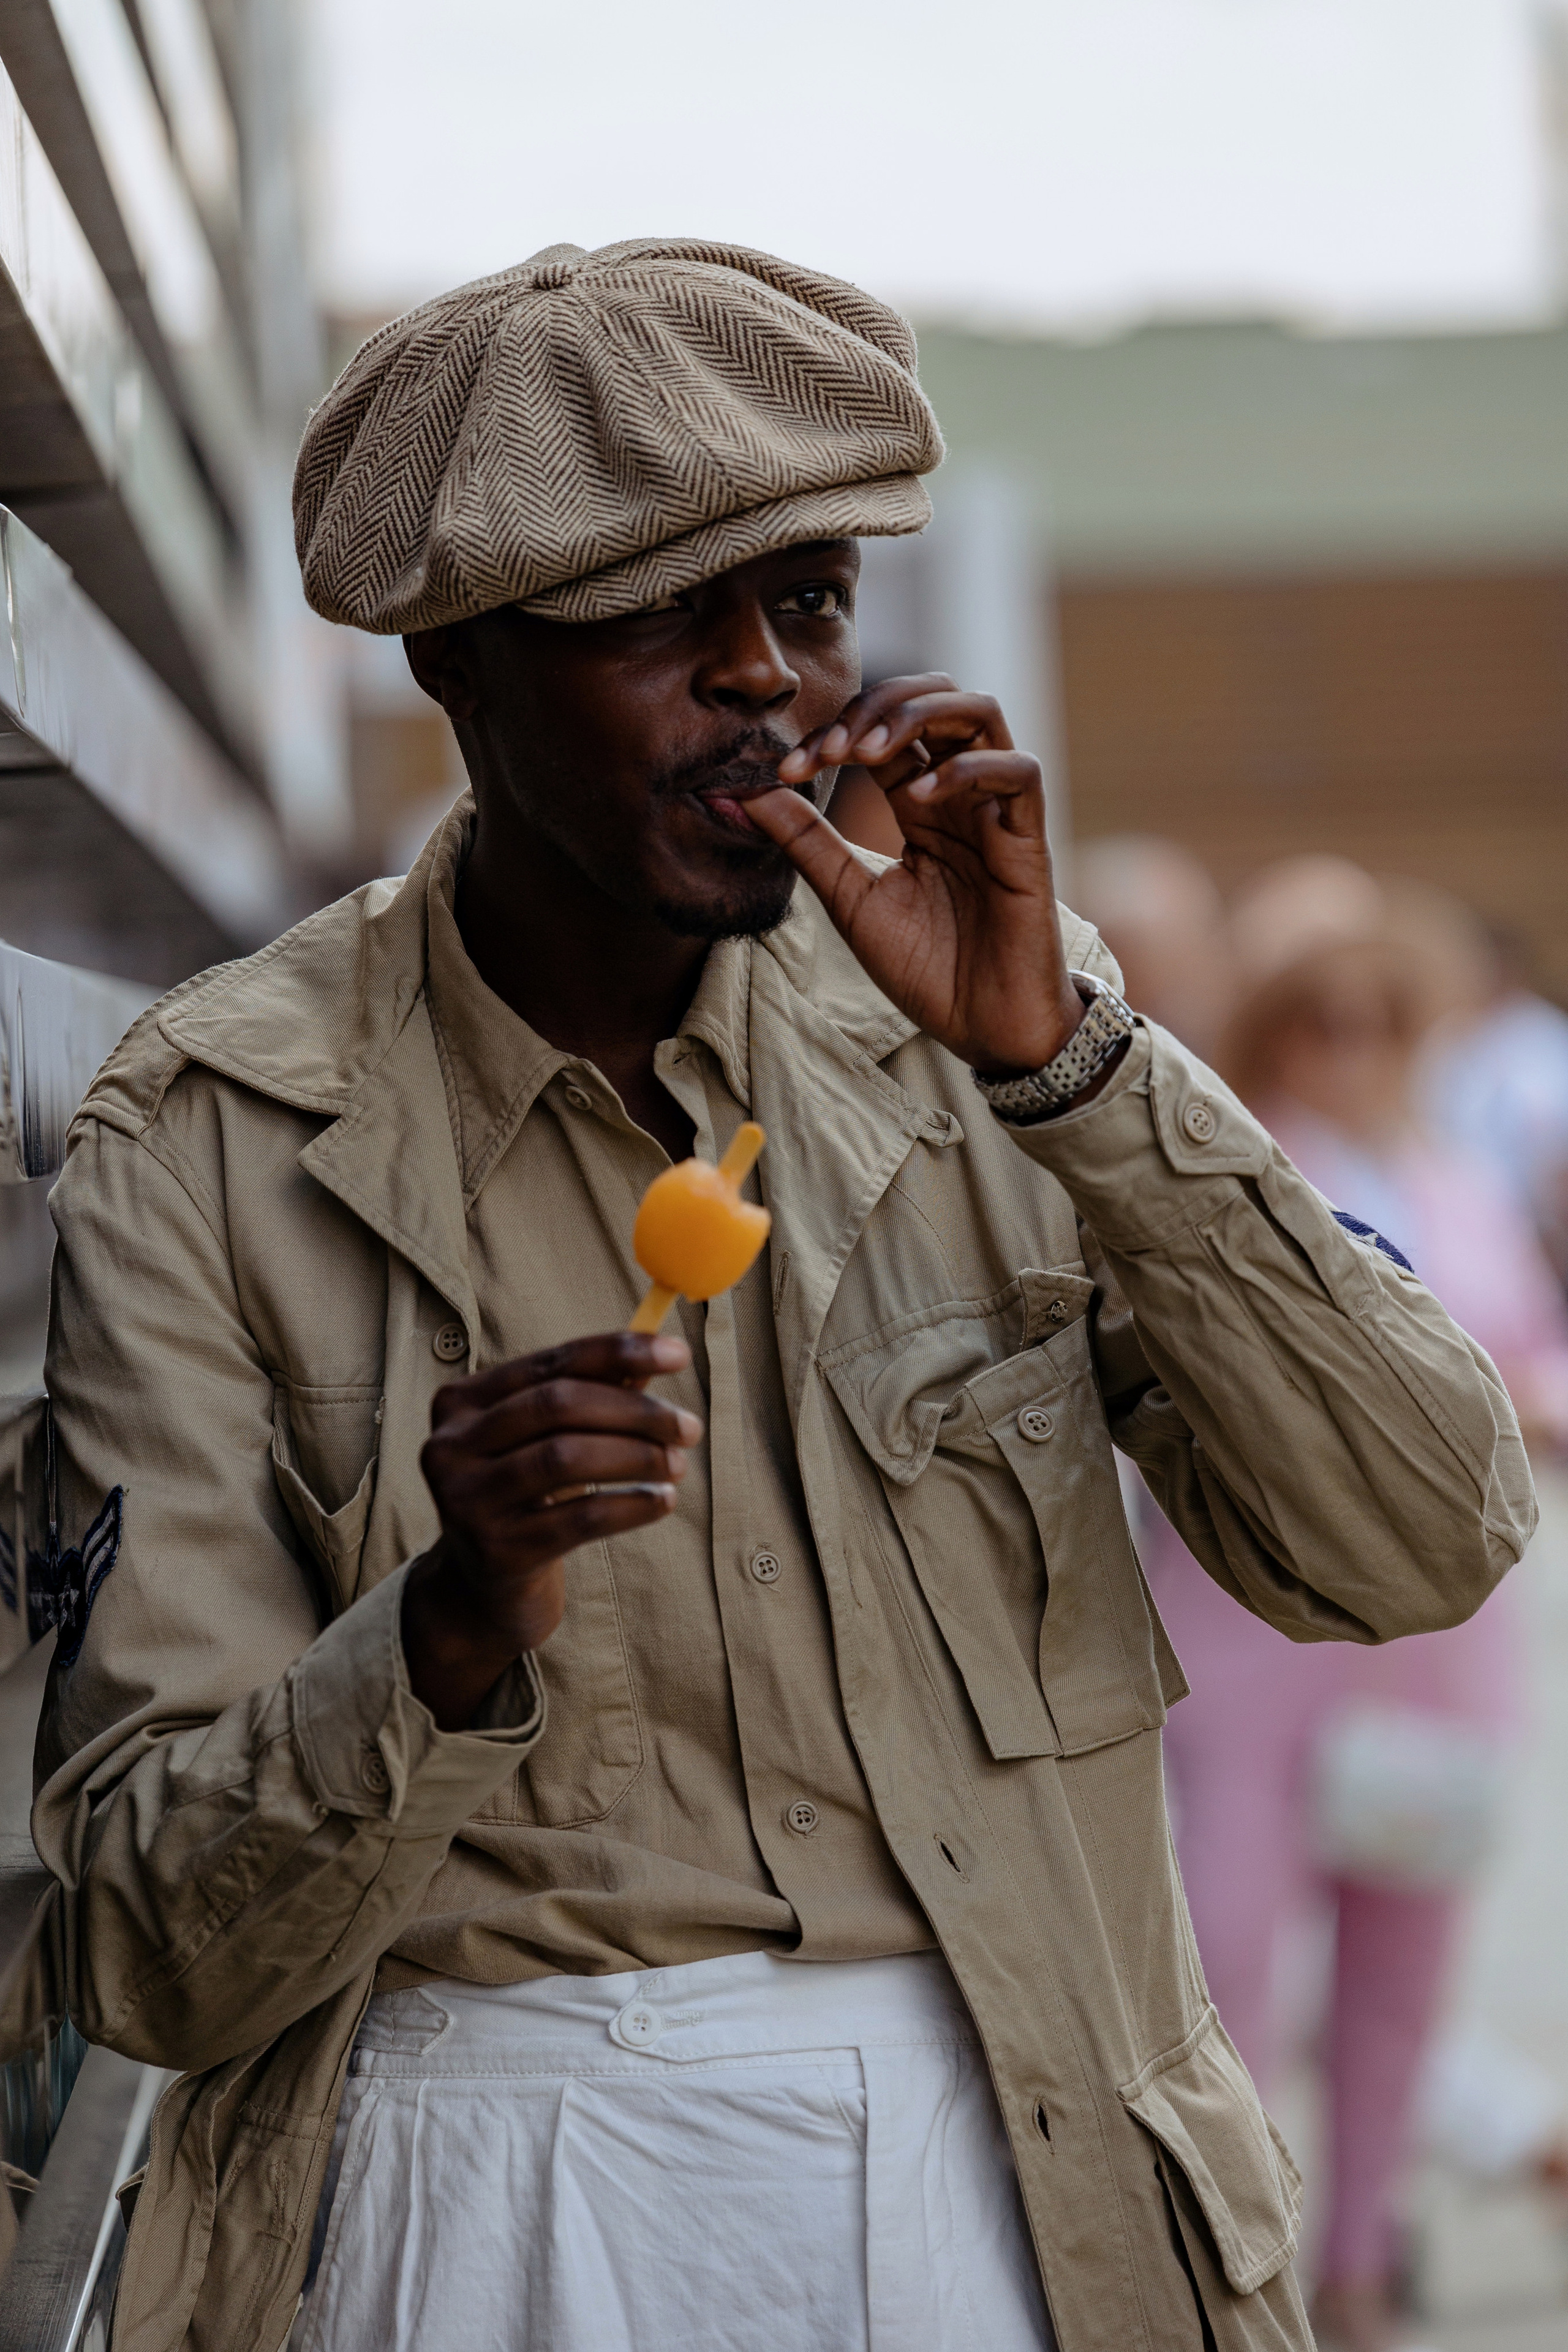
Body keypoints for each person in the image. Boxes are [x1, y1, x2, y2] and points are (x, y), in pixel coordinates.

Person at [28, 243, 1532, 2352]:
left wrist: (1080, 1078)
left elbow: (1427, 1537)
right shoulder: (210, 1135)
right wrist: (443, 1623)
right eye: (659, 614)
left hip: (1024, 2203)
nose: (764, 681)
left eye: (810, 603)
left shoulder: (1002, 1033)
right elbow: (142, 1954)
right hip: (480, 2230)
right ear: (457, 662)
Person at [1142, 856, 1568, 2352]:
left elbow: (1523, 1343)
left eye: (1378, 1015)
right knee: (1227, 1961)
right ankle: (1234, 2263)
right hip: (1245, 1644)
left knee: (1401, 1968)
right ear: (1268, 1025)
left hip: (1433, 1657)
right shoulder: (1218, 1161)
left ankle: (1362, 2264)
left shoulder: (1452, 1179)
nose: (1350, 1044)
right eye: (1317, 1016)